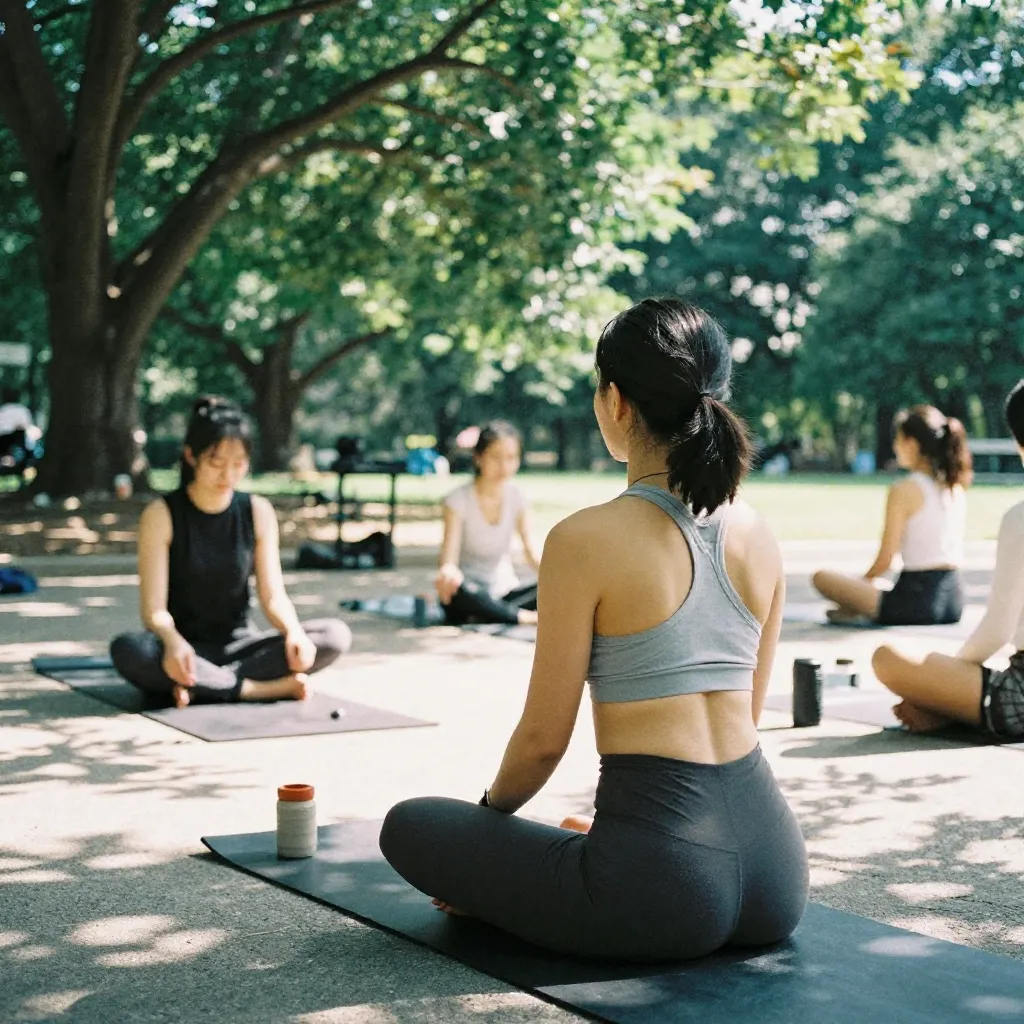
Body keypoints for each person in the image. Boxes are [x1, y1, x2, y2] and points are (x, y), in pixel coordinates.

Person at [380, 298, 807, 961]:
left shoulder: (584, 538)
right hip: (777, 877)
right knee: (605, 844)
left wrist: (484, 843)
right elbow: (747, 712)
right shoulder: (759, 534)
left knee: (411, 827)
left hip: (659, 891)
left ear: (616, 402)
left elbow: (544, 741)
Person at [110, 397, 351, 708]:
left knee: (333, 636)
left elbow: (273, 596)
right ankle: (255, 689)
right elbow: (153, 612)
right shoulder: (161, 514)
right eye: (216, 462)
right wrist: (173, 643)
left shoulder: (257, 511)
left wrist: (293, 632)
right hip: (181, 648)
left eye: (239, 464)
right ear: (191, 456)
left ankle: (204, 686)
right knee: (130, 650)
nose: (228, 475)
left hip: (242, 646)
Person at [872, 381, 1024, 738]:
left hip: (1018, 700)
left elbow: (997, 632)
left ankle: (955, 709)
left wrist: (944, 684)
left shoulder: (1019, 518)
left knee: (887, 658)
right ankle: (958, 708)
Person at [811, 406, 971, 625]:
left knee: (821, 577)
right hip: (954, 602)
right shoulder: (955, 488)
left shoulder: (904, 489)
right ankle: (859, 612)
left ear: (912, 443)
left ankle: (858, 612)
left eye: (897, 440)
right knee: (874, 590)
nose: (894, 447)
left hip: (914, 603)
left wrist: (857, 592)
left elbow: (886, 559)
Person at [435, 422, 541, 626]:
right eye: (496, 457)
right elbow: (448, 559)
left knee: (555, 585)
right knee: (457, 589)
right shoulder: (457, 500)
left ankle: (497, 614)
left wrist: (558, 577)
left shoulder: (517, 497)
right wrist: (448, 572)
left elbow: (531, 552)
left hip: (505, 593)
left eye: (511, 458)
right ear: (478, 457)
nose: (504, 466)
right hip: (470, 594)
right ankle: (522, 617)